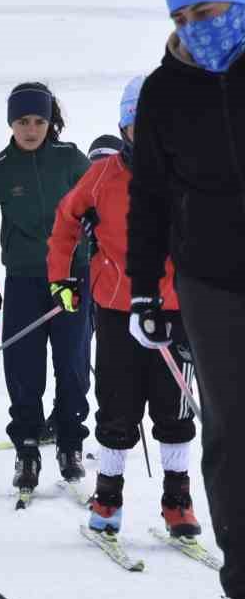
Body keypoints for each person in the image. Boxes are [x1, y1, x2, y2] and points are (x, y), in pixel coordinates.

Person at [127, 0, 245, 599]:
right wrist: (146, 288)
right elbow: (147, 198)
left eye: (206, 9)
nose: (196, 25)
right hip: (210, 280)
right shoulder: (163, 93)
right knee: (231, 438)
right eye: (182, 16)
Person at [45, 77, 198, 542]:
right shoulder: (103, 176)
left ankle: (177, 501)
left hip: (175, 310)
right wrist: (62, 277)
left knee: (173, 411)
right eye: (139, 125)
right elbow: (65, 221)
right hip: (116, 308)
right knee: (117, 405)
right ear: (125, 128)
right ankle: (107, 497)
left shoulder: (191, 174)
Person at [0, 84, 93, 495]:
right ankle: (28, 449)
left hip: (73, 278)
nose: (31, 129)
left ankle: (70, 444)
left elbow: (100, 208)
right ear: (11, 123)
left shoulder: (70, 159)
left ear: (50, 122)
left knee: (72, 365)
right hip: (24, 280)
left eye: (38, 121)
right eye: (23, 122)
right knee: (23, 370)